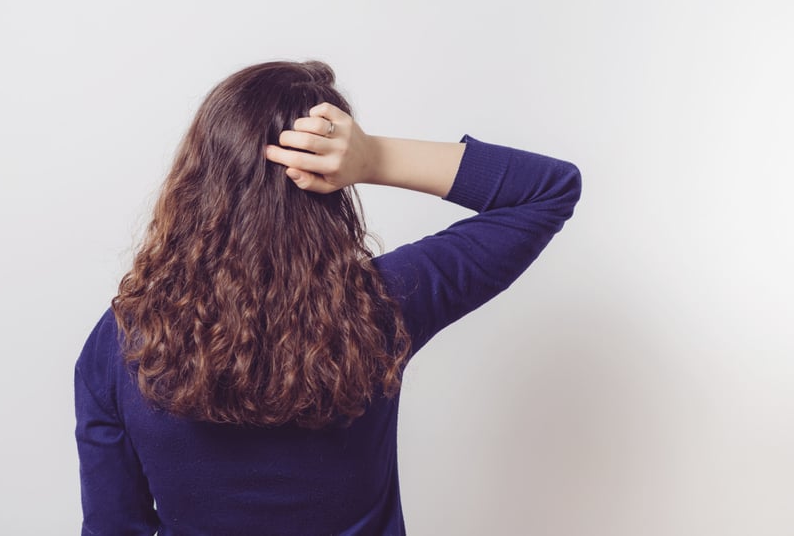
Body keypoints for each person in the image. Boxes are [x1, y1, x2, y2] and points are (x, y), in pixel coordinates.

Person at [74, 60, 582, 535]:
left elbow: (113, 529)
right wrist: (375, 157)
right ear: (329, 186)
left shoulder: (119, 345)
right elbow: (547, 189)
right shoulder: (382, 305)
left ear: (200, 177)